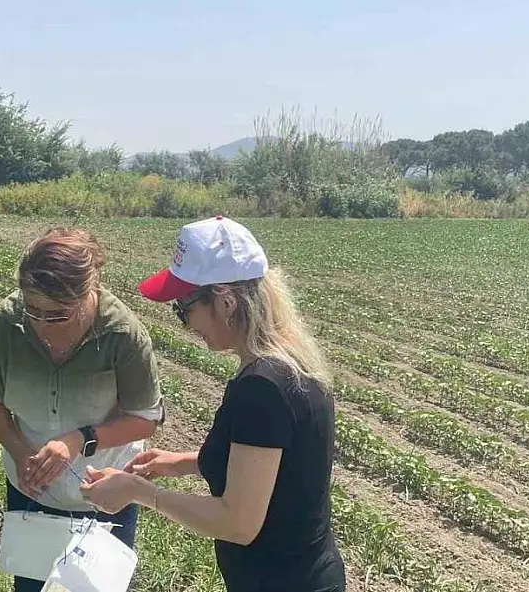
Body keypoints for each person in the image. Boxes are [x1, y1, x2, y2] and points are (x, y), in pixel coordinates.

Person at [79, 216, 346, 592]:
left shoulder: (262, 388)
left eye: (182, 309)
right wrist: (185, 462)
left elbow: (237, 522)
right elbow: (279, 468)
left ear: (224, 300)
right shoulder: (289, 365)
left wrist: (138, 492)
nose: (186, 325)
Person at [0, 227, 164, 592]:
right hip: (30, 489)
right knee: (32, 585)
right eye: (32, 309)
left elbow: (146, 419)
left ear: (88, 294)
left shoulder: (122, 336)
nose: (42, 324)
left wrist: (81, 439)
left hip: (104, 494)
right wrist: (20, 451)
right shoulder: (5, 326)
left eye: (58, 315)